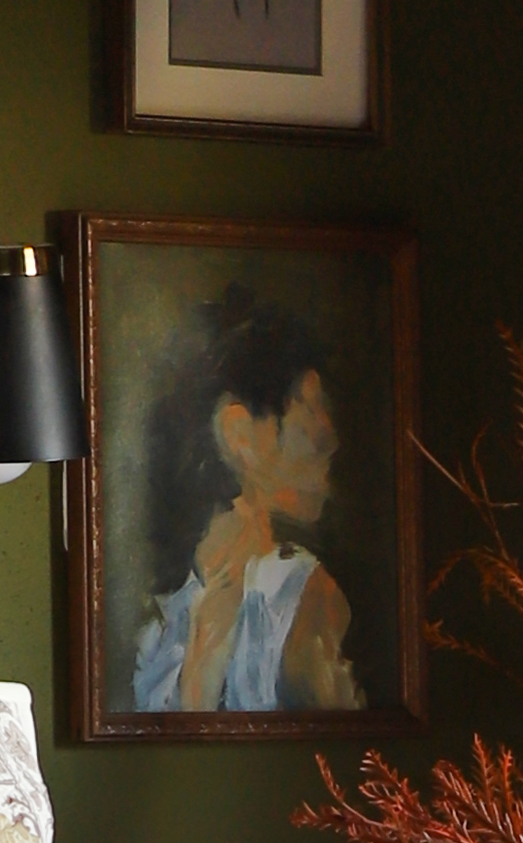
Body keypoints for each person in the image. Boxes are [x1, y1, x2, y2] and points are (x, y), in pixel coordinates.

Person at [131, 299, 360, 713]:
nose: (329, 436)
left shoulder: (303, 591)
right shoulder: (165, 628)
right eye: (310, 409)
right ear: (239, 434)